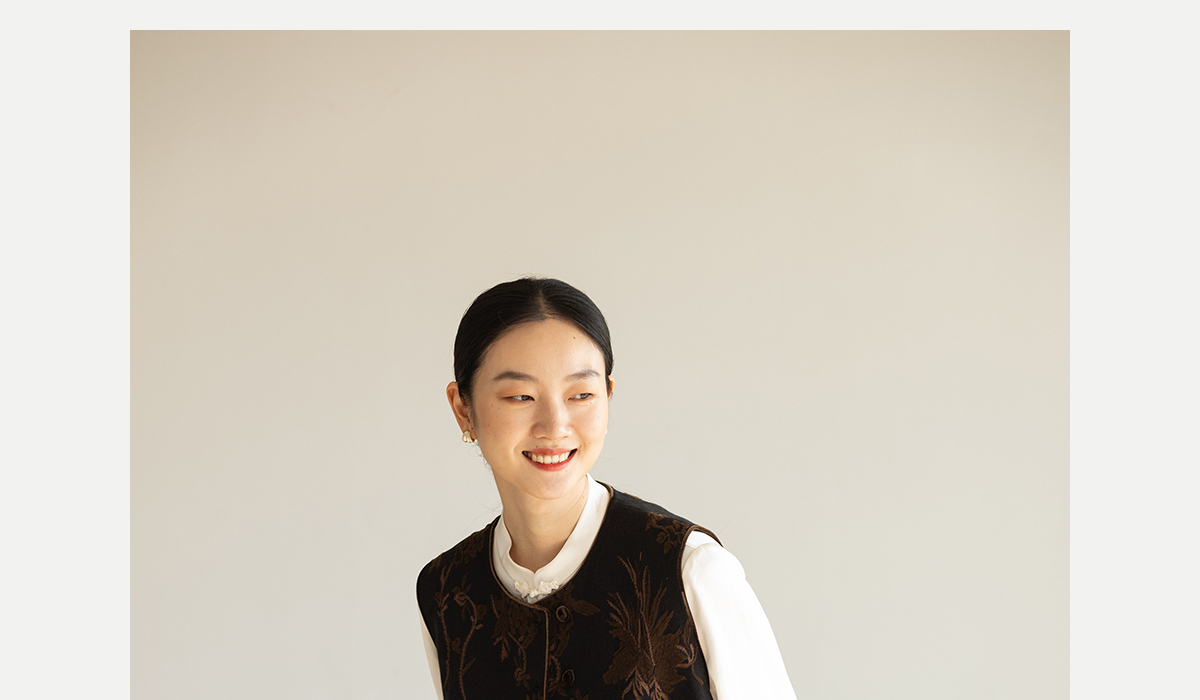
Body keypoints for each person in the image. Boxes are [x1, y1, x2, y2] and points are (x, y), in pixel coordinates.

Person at [417, 277, 796, 700]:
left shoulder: (690, 569)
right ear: (463, 408)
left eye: (581, 395)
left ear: (608, 395)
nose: (555, 426)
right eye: (521, 397)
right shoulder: (445, 591)